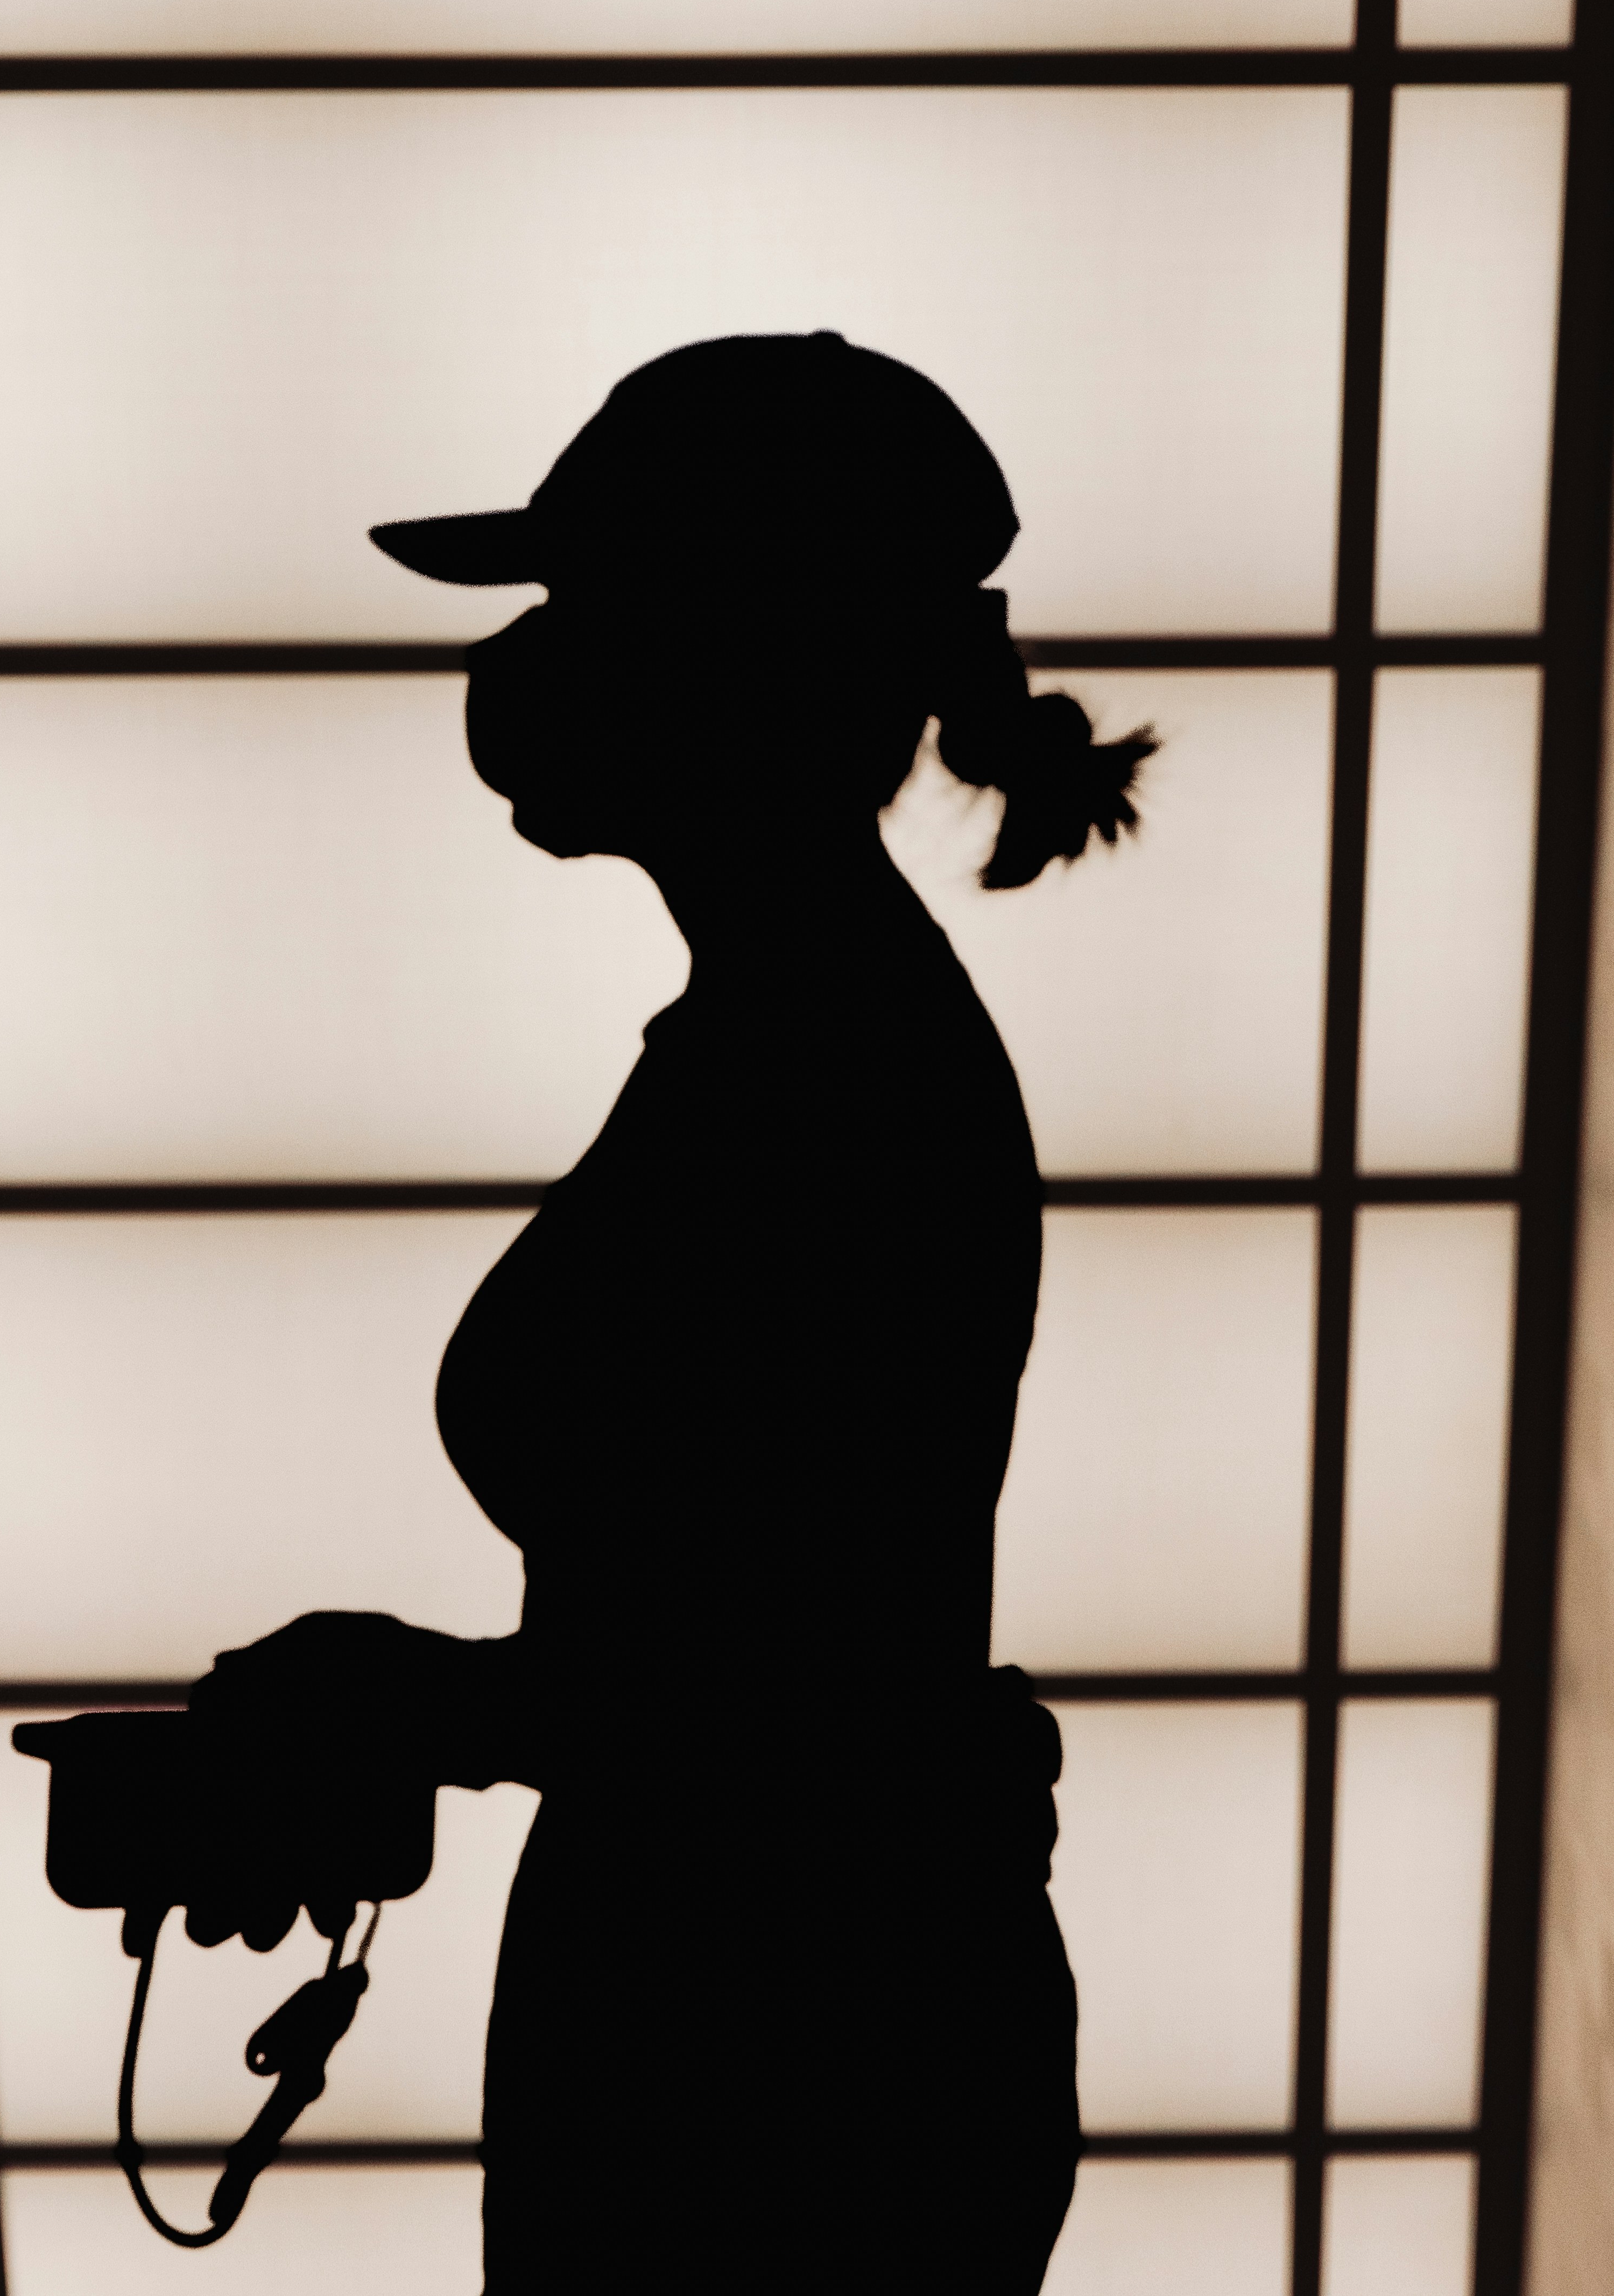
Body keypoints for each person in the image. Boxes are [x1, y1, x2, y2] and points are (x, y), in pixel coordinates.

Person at [188, 331, 1154, 2290]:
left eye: (580, 601)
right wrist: (433, 1711)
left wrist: (411, 1703)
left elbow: (790, 1682)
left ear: (742, 646)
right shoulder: (782, 1033)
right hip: (749, 1988)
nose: (525, 662)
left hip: (791, 2050)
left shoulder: (833, 1074)